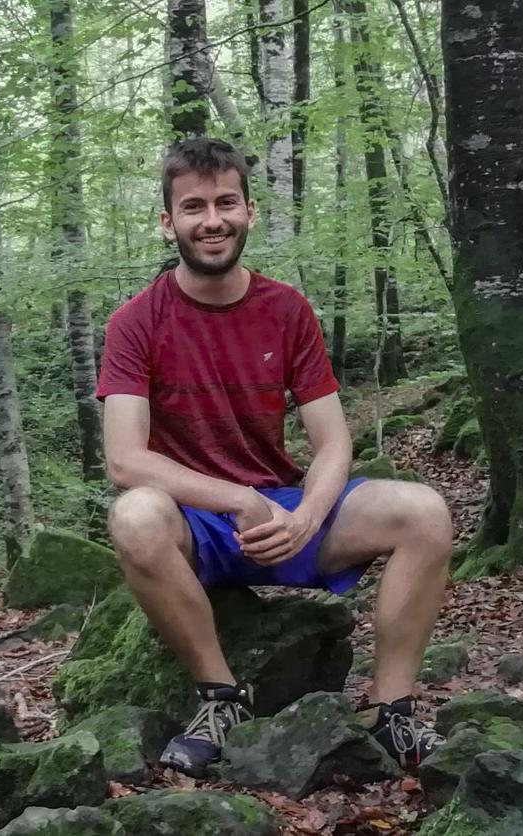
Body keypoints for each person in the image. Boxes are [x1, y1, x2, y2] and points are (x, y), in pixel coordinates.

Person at [96, 137, 453, 778]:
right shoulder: (135, 322)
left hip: (285, 509)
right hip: (197, 520)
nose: (213, 220)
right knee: (134, 515)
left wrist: (308, 516)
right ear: (168, 222)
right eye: (194, 206)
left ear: (250, 211)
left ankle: (389, 712)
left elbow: (333, 441)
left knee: (422, 510)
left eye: (227, 202)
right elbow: (125, 460)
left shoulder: (285, 309)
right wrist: (236, 498)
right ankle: (221, 698)